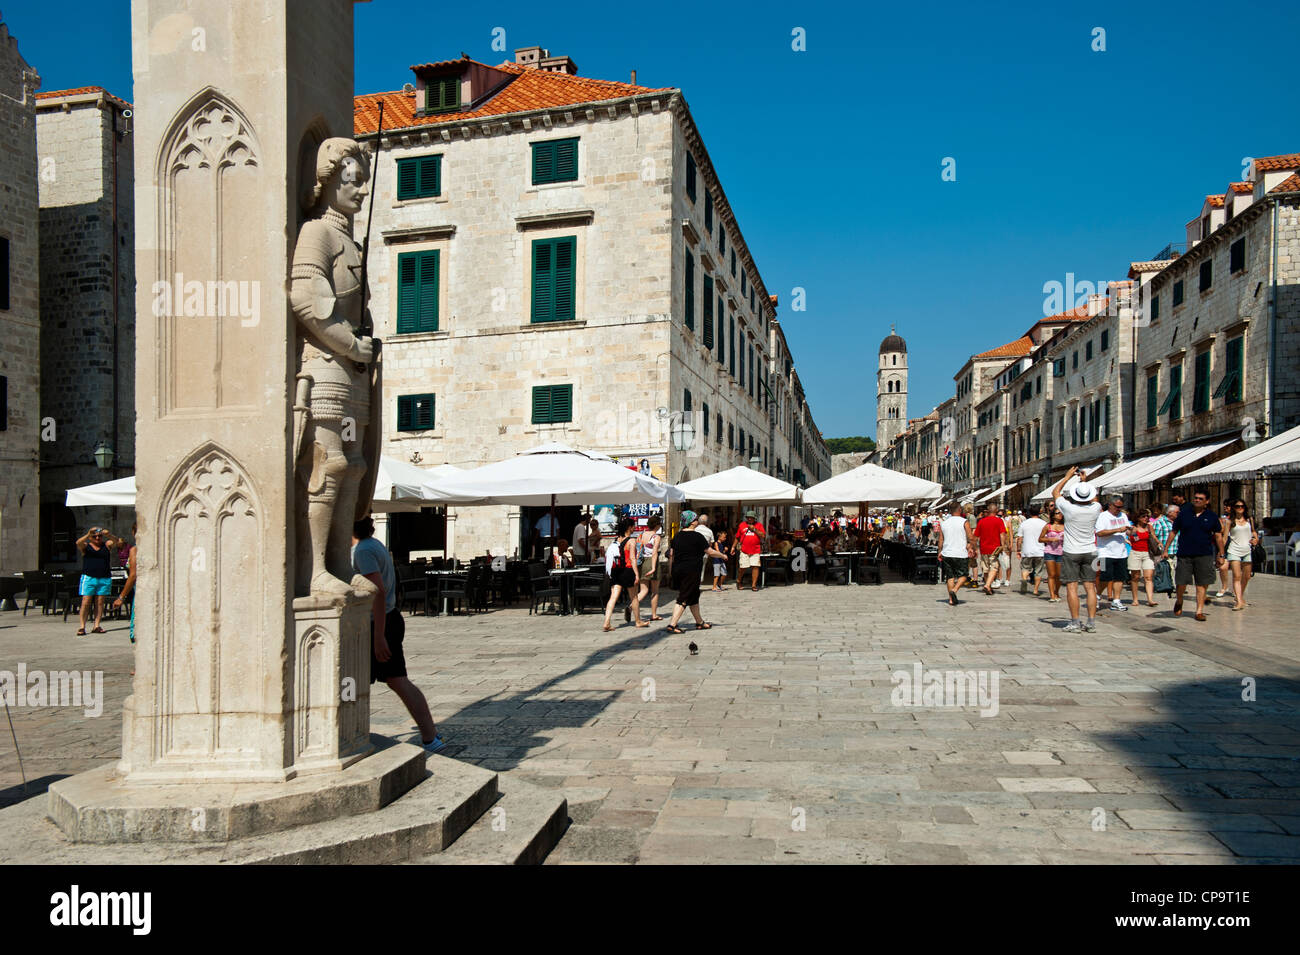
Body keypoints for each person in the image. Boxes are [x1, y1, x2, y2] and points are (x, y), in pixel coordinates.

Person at [352, 517, 443, 753]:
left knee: (363, 680)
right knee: (392, 680)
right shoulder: (374, 544)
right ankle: (430, 735)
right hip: (387, 619)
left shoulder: (362, 550)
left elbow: (378, 593)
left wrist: (379, 636)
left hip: (379, 623)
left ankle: (430, 736)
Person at [1051, 465, 1103, 632]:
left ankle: (1074, 622)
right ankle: (1091, 622)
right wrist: (1084, 482)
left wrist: (1067, 478)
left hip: (1071, 551)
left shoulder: (1069, 508)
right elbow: (1095, 499)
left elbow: (1055, 493)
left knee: (1072, 587)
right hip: (1092, 551)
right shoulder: (1096, 509)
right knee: (1090, 587)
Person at [665, 510, 725, 641]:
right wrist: (722, 555)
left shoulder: (677, 536)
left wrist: (671, 571)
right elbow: (710, 551)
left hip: (678, 570)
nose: (697, 521)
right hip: (691, 571)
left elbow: (671, 554)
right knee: (684, 597)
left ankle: (699, 622)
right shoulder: (697, 537)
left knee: (693, 596)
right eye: (696, 519)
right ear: (692, 522)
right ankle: (672, 624)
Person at [1171, 489, 1225, 621]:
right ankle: (1179, 600)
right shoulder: (1184, 514)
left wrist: (1221, 554)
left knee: (1202, 583)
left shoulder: (1212, 516)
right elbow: (1174, 531)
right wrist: (1166, 548)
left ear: (1206, 501)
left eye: (1201, 498)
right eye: (1196, 498)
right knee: (1181, 581)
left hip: (1204, 554)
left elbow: (1218, 536)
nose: (1197, 500)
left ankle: (1199, 611)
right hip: (1184, 553)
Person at [76, 525, 122, 636]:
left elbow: (117, 542)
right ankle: (82, 626)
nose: (97, 538)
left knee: (100, 602)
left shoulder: (106, 545)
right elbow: (78, 543)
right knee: (86, 601)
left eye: (99, 536)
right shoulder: (86, 546)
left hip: (104, 577)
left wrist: (108, 534)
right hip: (89, 577)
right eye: (95, 536)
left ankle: (96, 625)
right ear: (91, 537)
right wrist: (88, 534)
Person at [602, 518, 646, 632]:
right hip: (627, 571)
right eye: (633, 526)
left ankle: (606, 622)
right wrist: (636, 574)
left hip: (616, 571)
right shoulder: (631, 541)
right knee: (634, 597)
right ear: (629, 527)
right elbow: (632, 558)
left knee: (613, 597)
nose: (634, 528)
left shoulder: (617, 539)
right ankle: (638, 621)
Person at [1095, 495, 1133, 611]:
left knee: (1119, 577)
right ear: (1110, 505)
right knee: (1105, 577)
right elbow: (1099, 533)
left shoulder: (1123, 516)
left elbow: (1127, 531)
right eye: (1117, 507)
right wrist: (1117, 530)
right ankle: (1097, 595)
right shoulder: (1103, 516)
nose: (1119, 509)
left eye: (1121, 507)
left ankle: (1116, 600)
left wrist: (1131, 531)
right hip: (1105, 551)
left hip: (1121, 551)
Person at [1222, 499, 1258, 611]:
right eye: (1237, 506)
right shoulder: (1229, 521)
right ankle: (1238, 601)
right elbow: (1225, 537)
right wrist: (1221, 552)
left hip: (1247, 550)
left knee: (1246, 576)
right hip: (1234, 550)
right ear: (1234, 508)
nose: (1240, 508)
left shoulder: (1249, 520)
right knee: (1237, 576)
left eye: (1242, 506)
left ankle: (1240, 597)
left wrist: (1256, 539)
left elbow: (1253, 531)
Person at [937, 500, 975, 606]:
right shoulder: (964, 522)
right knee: (963, 575)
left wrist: (939, 551)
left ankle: (951, 599)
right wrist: (972, 547)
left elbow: (941, 539)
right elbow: (971, 537)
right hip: (960, 553)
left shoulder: (944, 523)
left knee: (950, 577)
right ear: (960, 510)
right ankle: (954, 590)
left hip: (947, 553)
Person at [112, 522, 139, 646]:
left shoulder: (135, 550)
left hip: (139, 591)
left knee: (135, 629)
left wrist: (121, 597)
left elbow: (133, 575)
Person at [1127, 509, 1160, 607]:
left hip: (1147, 554)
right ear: (1138, 518)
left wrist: (1159, 543)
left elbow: (1153, 537)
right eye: (1143, 516)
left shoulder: (1149, 527)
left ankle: (1150, 599)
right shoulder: (1133, 528)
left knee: (1148, 577)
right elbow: (1131, 538)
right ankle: (1135, 599)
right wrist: (1132, 533)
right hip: (1135, 553)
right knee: (1135, 577)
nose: (1146, 518)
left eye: (1147, 516)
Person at [636, 515, 665, 622]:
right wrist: (653, 567)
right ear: (657, 525)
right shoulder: (656, 537)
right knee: (655, 591)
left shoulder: (642, 534)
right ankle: (653, 614)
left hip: (642, 562)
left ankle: (631, 606)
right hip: (652, 562)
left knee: (643, 590)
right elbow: (654, 553)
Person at [975, 502, 1007, 595]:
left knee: (985, 568)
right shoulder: (999, 521)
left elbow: (976, 536)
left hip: (983, 548)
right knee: (994, 567)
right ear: (996, 511)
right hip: (995, 548)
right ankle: (988, 585)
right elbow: (1002, 535)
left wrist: (973, 547)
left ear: (988, 511)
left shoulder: (981, 521)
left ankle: (988, 586)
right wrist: (1003, 546)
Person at [1015, 504, 1047, 597]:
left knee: (1025, 568)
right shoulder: (1043, 523)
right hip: (1040, 550)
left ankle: (1024, 579)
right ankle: (1036, 590)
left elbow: (1020, 538)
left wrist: (1018, 550)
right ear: (1039, 512)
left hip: (1027, 550)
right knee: (1038, 570)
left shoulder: (1024, 523)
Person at [735, 511, 766, 592]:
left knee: (755, 567)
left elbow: (763, 535)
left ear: (754, 518)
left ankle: (753, 585)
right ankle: (739, 580)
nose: (749, 519)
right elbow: (737, 537)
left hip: (755, 550)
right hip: (744, 550)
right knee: (742, 567)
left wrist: (754, 529)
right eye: (748, 517)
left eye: (751, 517)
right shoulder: (742, 525)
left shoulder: (759, 525)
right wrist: (732, 547)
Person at [1039, 508, 1065, 602]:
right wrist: (1050, 539)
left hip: (1061, 552)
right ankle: (1052, 595)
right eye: (1057, 513)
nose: (1060, 515)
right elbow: (1040, 539)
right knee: (1051, 574)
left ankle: (1056, 591)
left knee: (1059, 575)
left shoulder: (1065, 526)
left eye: (1061, 513)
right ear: (1053, 515)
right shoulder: (1048, 526)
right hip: (1049, 552)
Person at [1151, 504, 1179, 576]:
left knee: (1173, 573)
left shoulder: (1178, 522)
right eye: (1177, 512)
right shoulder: (1159, 522)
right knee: (1162, 574)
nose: (1179, 514)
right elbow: (1153, 537)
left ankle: (1172, 587)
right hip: (1163, 553)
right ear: (1170, 513)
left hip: (1176, 551)